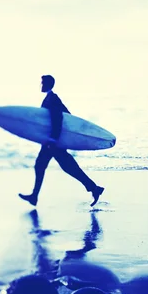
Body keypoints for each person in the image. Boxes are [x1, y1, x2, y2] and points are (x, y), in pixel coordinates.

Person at [19, 75, 105, 207]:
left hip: (53, 141)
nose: (41, 85)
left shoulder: (52, 99)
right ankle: (34, 196)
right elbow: (67, 114)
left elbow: (58, 118)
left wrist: (53, 139)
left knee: (66, 166)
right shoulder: (51, 98)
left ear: (48, 84)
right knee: (49, 165)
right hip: (51, 140)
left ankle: (93, 188)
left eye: (42, 83)